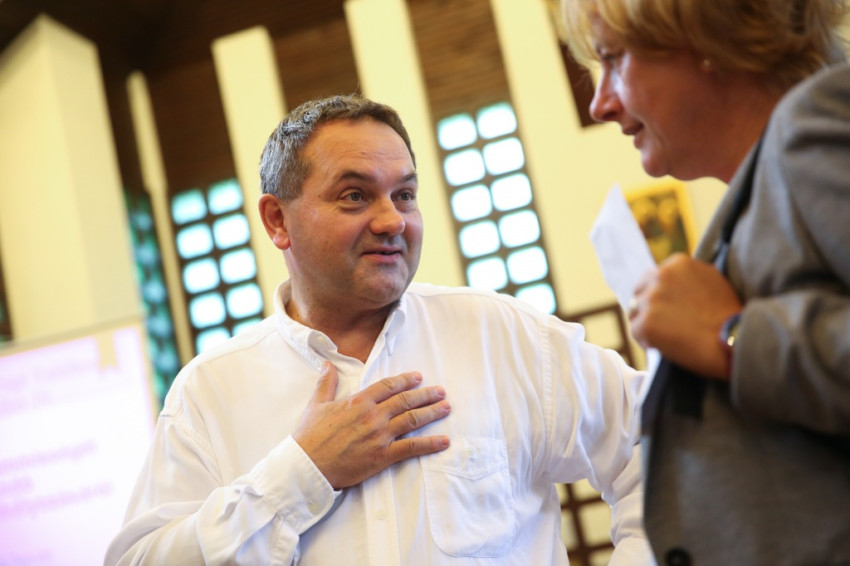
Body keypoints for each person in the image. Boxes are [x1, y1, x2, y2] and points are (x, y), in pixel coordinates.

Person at [105, 94, 653, 565]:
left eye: (405, 195)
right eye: (355, 195)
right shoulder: (211, 392)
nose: (392, 221)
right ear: (277, 220)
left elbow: (652, 441)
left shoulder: (501, 335)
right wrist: (302, 473)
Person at [561, 0, 850, 564]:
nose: (600, 103)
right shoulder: (756, 195)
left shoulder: (815, 125)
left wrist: (729, 335)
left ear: (708, 36)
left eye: (614, 59)